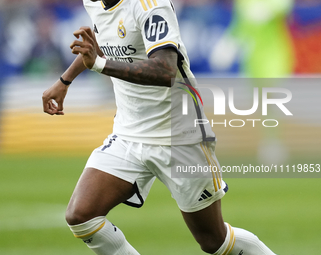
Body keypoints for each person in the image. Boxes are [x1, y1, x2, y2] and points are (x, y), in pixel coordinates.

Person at [42, 0, 277, 254]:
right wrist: (65, 80)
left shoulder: (150, 5)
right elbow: (101, 41)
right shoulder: (94, 3)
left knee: (214, 241)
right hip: (128, 134)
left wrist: (99, 65)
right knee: (81, 215)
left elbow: (165, 71)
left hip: (179, 135)